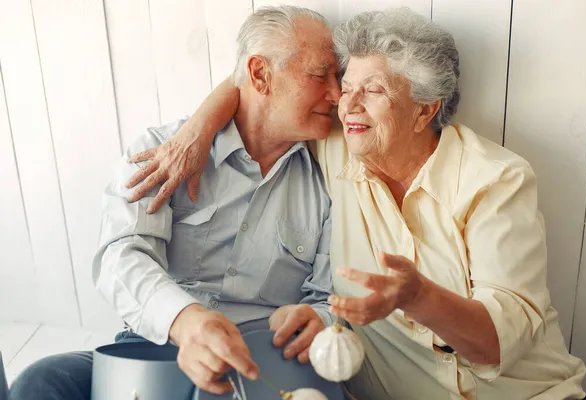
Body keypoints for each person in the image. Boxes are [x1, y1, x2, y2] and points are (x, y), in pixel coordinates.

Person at [124, 7, 586, 400]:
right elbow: (256, 92)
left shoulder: (495, 179)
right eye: (346, 86)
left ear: (425, 109)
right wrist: (197, 131)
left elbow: (495, 347)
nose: (347, 105)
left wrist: (417, 296)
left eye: (375, 90)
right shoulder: (337, 146)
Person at [9, 6, 342, 400]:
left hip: (258, 367)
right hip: (152, 348)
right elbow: (121, 255)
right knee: (41, 381)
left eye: (338, 78)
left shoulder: (328, 181)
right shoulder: (161, 152)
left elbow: (328, 298)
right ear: (260, 75)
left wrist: (319, 320)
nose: (337, 94)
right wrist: (187, 321)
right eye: (321, 76)